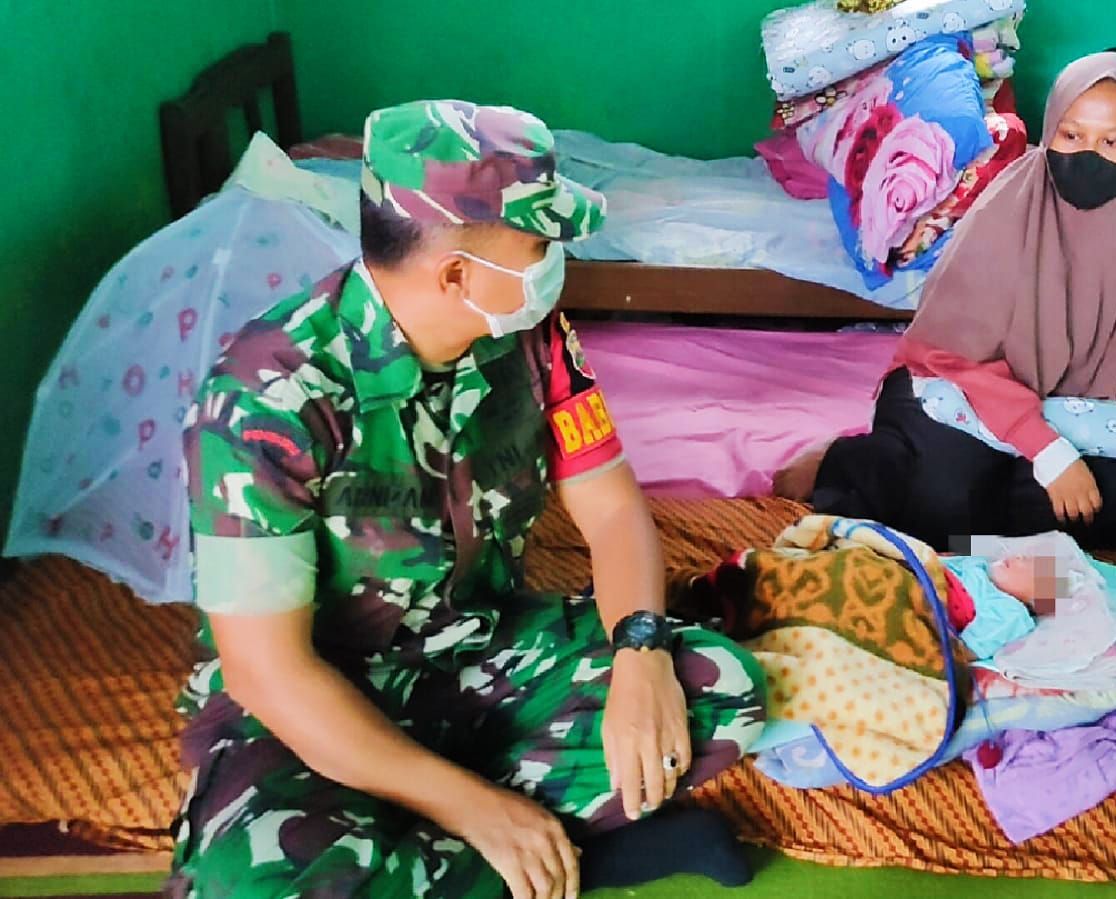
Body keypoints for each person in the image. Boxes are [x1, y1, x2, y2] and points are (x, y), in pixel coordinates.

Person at [166, 100, 766, 899]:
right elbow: (272, 675)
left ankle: (444, 863)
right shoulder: (264, 398)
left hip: (481, 652)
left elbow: (614, 511)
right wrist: (476, 806)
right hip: (325, 699)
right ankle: (556, 854)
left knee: (720, 689)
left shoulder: (532, 335)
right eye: (536, 243)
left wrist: (640, 651)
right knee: (248, 878)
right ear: (456, 273)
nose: (553, 261)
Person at [775, 53, 1116, 553]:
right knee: (943, 504)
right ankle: (844, 460)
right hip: (952, 391)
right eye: (1071, 136)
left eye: (1112, 142)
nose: (1087, 155)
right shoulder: (1012, 203)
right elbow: (948, 356)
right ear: (1050, 130)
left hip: (1070, 404)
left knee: (1093, 504)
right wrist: (1049, 453)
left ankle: (993, 539)